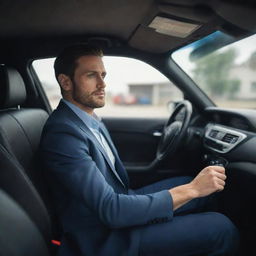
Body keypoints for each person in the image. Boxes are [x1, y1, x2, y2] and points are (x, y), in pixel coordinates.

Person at [40, 44, 239, 256]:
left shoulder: (87, 119)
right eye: (91, 75)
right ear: (65, 82)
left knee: (201, 192)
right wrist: (193, 189)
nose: (102, 84)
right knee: (220, 227)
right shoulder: (63, 134)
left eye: (103, 75)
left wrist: (194, 189)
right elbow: (111, 210)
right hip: (102, 237)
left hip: (120, 203)